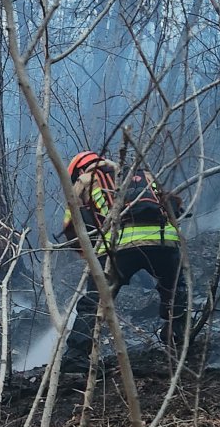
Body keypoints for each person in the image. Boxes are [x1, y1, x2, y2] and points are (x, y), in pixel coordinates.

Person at [58, 150, 188, 370]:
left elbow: (71, 225)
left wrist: (88, 255)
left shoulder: (86, 179)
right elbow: (172, 204)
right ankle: (179, 339)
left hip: (118, 248)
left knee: (94, 302)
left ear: (79, 170)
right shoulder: (143, 174)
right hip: (163, 242)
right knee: (175, 289)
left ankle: (76, 356)